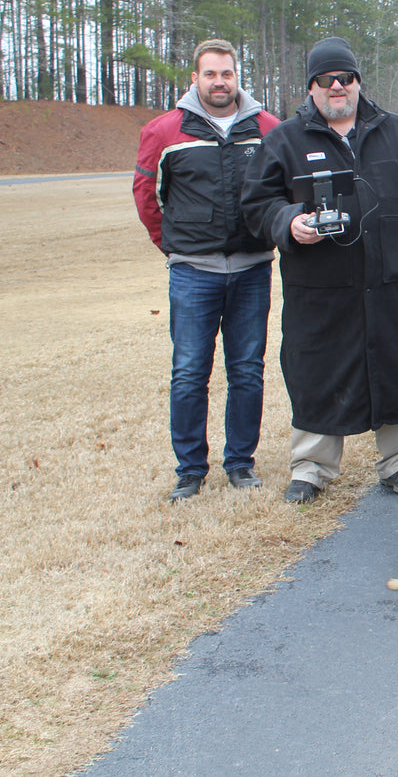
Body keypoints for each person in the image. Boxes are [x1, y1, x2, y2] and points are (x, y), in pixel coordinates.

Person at [241, 37, 398, 504]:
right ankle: (312, 466)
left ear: (358, 81)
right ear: (311, 87)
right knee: (317, 369)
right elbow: (256, 203)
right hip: (318, 285)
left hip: (389, 278)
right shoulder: (284, 141)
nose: (338, 86)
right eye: (326, 79)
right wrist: (289, 223)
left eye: (346, 78)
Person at [134, 38, 281, 500]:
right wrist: (174, 246)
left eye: (227, 74)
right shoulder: (164, 131)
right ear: (194, 78)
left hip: (253, 269)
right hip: (193, 273)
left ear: (238, 77)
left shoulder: (268, 128)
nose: (220, 82)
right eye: (211, 74)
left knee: (247, 370)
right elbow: (147, 197)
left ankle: (240, 463)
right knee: (190, 371)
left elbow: (282, 189)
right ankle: (190, 470)